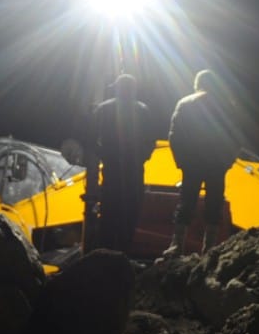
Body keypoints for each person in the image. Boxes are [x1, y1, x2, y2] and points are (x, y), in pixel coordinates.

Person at [164, 69, 241, 256]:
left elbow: (174, 136)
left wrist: (181, 161)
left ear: (198, 83)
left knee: (186, 202)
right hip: (216, 163)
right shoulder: (228, 107)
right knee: (215, 204)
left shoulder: (185, 103)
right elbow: (235, 137)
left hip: (192, 163)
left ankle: (177, 246)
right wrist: (228, 161)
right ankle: (210, 248)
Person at [89, 73, 154, 252]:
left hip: (111, 169)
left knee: (109, 210)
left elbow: (90, 137)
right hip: (134, 169)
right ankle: (124, 253)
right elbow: (151, 140)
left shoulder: (103, 109)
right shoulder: (142, 110)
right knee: (131, 212)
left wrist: (102, 154)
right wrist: (143, 157)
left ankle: (104, 252)